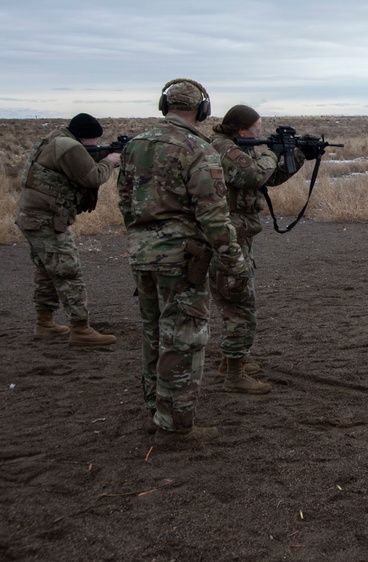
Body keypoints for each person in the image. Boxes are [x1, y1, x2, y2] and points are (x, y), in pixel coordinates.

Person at [117, 79, 249, 445]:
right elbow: (213, 215)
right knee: (184, 338)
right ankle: (176, 427)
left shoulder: (135, 145)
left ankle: (156, 413)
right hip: (180, 258)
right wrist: (233, 258)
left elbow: (126, 202)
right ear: (202, 110)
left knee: (154, 333)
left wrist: (142, 238)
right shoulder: (198, 148)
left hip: (143, 254)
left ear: (165, 105)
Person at [208, 105, 318, 393]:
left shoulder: (239, 148)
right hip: (226, 236)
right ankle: (234, 374)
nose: (261, 133)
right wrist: (272, 151)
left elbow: (268, 178)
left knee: (235, 299)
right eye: (257, 128)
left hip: (238, 234)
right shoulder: (223, 148)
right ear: (242, 130)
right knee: (240, 302)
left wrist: (298, 154)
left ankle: (230, 360)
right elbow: (253, 176)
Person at [15, 113, 120, 346]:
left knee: (47, 272)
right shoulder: (68, 146)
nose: (95, 145)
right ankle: (80, 329)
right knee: (68, 272)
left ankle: (45, 323)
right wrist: (110, 161)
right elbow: (92, 178)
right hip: (46, 220)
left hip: (33, 217)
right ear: (86, 137)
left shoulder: (56, 139)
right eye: (94, 141)